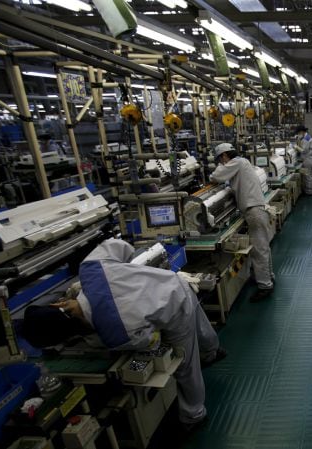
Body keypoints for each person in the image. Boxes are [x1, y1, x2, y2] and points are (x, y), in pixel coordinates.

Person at [20, 239, 226, 430]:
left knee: (186, 367)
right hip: (176, 282)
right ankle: (212, 351)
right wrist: (125, 275)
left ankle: (194, 414)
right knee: (200, 325)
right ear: (59, 304)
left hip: (175, 309)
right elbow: (120, 246)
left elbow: (148, 339)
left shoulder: (115, 336)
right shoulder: (91, 268)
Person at [210, 143, 275, 302]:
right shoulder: (243, 162)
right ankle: (268, 277)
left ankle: (265, 285)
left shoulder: (236, 162)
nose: (222, 162)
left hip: (254, 212)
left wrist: (214, 173)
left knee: (259, 250)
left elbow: (216, 176)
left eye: (221, 159)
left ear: (225, 156)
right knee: (263, 247)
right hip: (257, 210)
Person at [294, 125, 312, 195]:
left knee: (308, 177)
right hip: (308, 159)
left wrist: (296, 147)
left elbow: (303, 151)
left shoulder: (306, 139)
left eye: (298, 133)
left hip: (308, 160)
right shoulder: (305, 137)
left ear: (302, 132)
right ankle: (307, 191)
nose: (298, 134)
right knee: (307, 176)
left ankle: (309, 192)